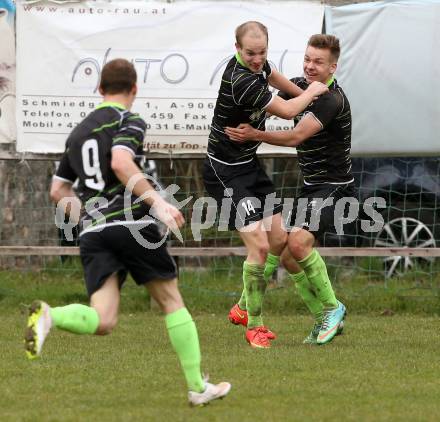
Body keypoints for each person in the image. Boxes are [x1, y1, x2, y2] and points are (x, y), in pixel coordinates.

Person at [24, 58, 231, 406]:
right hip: (133, 225)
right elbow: (121, 161)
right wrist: (159, 204)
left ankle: (50, 315)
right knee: (171, 301)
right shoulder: (128, 119)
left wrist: (90, 216)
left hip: (93, 231)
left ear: (99, 88)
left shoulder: (78, 132)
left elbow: (58, 191)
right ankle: (197, 387)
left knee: (103, 320)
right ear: (134, 89)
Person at [203, 21, 328, 348]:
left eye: (262, 53)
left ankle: (243, 308)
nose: (257, 59)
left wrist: (309, 98)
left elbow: (275, 77)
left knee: (278, 238)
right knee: (258, 246)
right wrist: (315, 91)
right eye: (250, 54)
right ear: (237, 50)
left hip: (248, 166)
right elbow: (287, 112)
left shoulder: (258, 66)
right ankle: (254, 326)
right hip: (225, 171)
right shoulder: (242, 80)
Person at [225, 34, 350, 345]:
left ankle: (333, 309)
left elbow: (296, 136)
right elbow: (265, 103)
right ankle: (321, 318)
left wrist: (255, 134)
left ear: (332, 66)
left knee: (297, 245)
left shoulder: (333, 99)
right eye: (307, 59)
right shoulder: (297, 85)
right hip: (311, 187)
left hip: (334, 187)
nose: (309, 66)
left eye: (318, 62)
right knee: (287, 254)